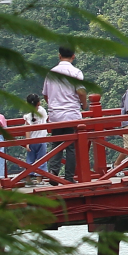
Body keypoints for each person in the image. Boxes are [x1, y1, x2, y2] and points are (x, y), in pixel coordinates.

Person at [41, 47, 85, 181]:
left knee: (57, 144)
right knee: (71, 147)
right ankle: (69, 177)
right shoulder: (76, 72)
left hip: (56, 116)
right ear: (74, 56)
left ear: (59, 56)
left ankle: (54, 175)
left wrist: (54, 105)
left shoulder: (51, 73)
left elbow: (46, 95)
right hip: (71, 115)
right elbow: (81, 92)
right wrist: (84, 105)